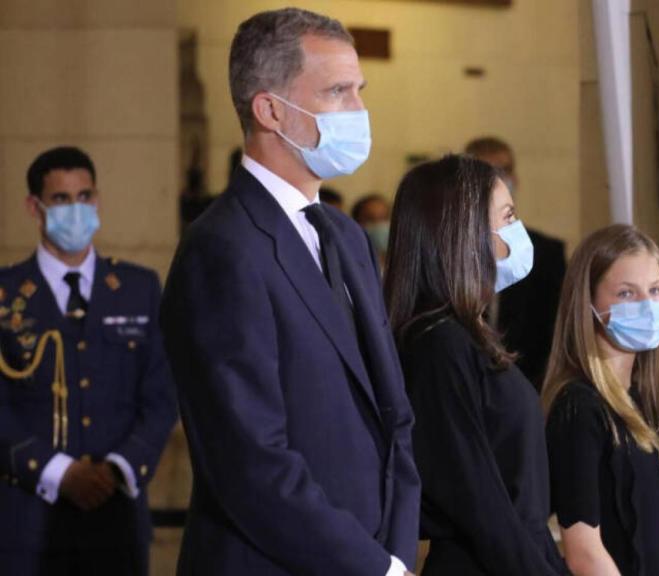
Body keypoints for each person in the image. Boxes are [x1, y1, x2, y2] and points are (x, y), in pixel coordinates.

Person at [160, 9, 419, 576]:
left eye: (360, 90)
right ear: (270, 109)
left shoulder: (345, 235)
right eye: (337, 92)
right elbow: (250, 460)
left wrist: (395, 556)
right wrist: (370, 566)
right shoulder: (222, 249)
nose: (359, 110)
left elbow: (393, 417)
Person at [384, 155, 567, 576]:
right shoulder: (439, 344)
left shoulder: (464, 335)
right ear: (464, 235)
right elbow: (479, 500)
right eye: (507, 217)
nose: (517, 232)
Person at [0, 146, 178, 574]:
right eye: (61, 199)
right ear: (34, 207)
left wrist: (119, 467)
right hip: (28, 520)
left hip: (116, 517)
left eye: (84, 196)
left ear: (96, 200)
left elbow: (161, 394)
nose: (75, 209)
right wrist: (57, 472)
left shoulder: (139, 287)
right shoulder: (6, 296)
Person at [542, 224, 659, 576]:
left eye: (655, 291)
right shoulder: (579, 406)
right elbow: (584, 552)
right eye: (626, 294)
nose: (647, 305)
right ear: (588, 304)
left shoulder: (646, 401)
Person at [465, 137, 566, 390]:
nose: (498, 179)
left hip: (527, 387)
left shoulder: (545, 253)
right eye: (487, 171)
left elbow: (554, 333)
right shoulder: (451, 253)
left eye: (504, 170)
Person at [351, 193, 390, 263]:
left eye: (384, 218)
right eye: (370, 219)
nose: (379, 224)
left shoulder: (403, 261)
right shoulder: (351, 263)